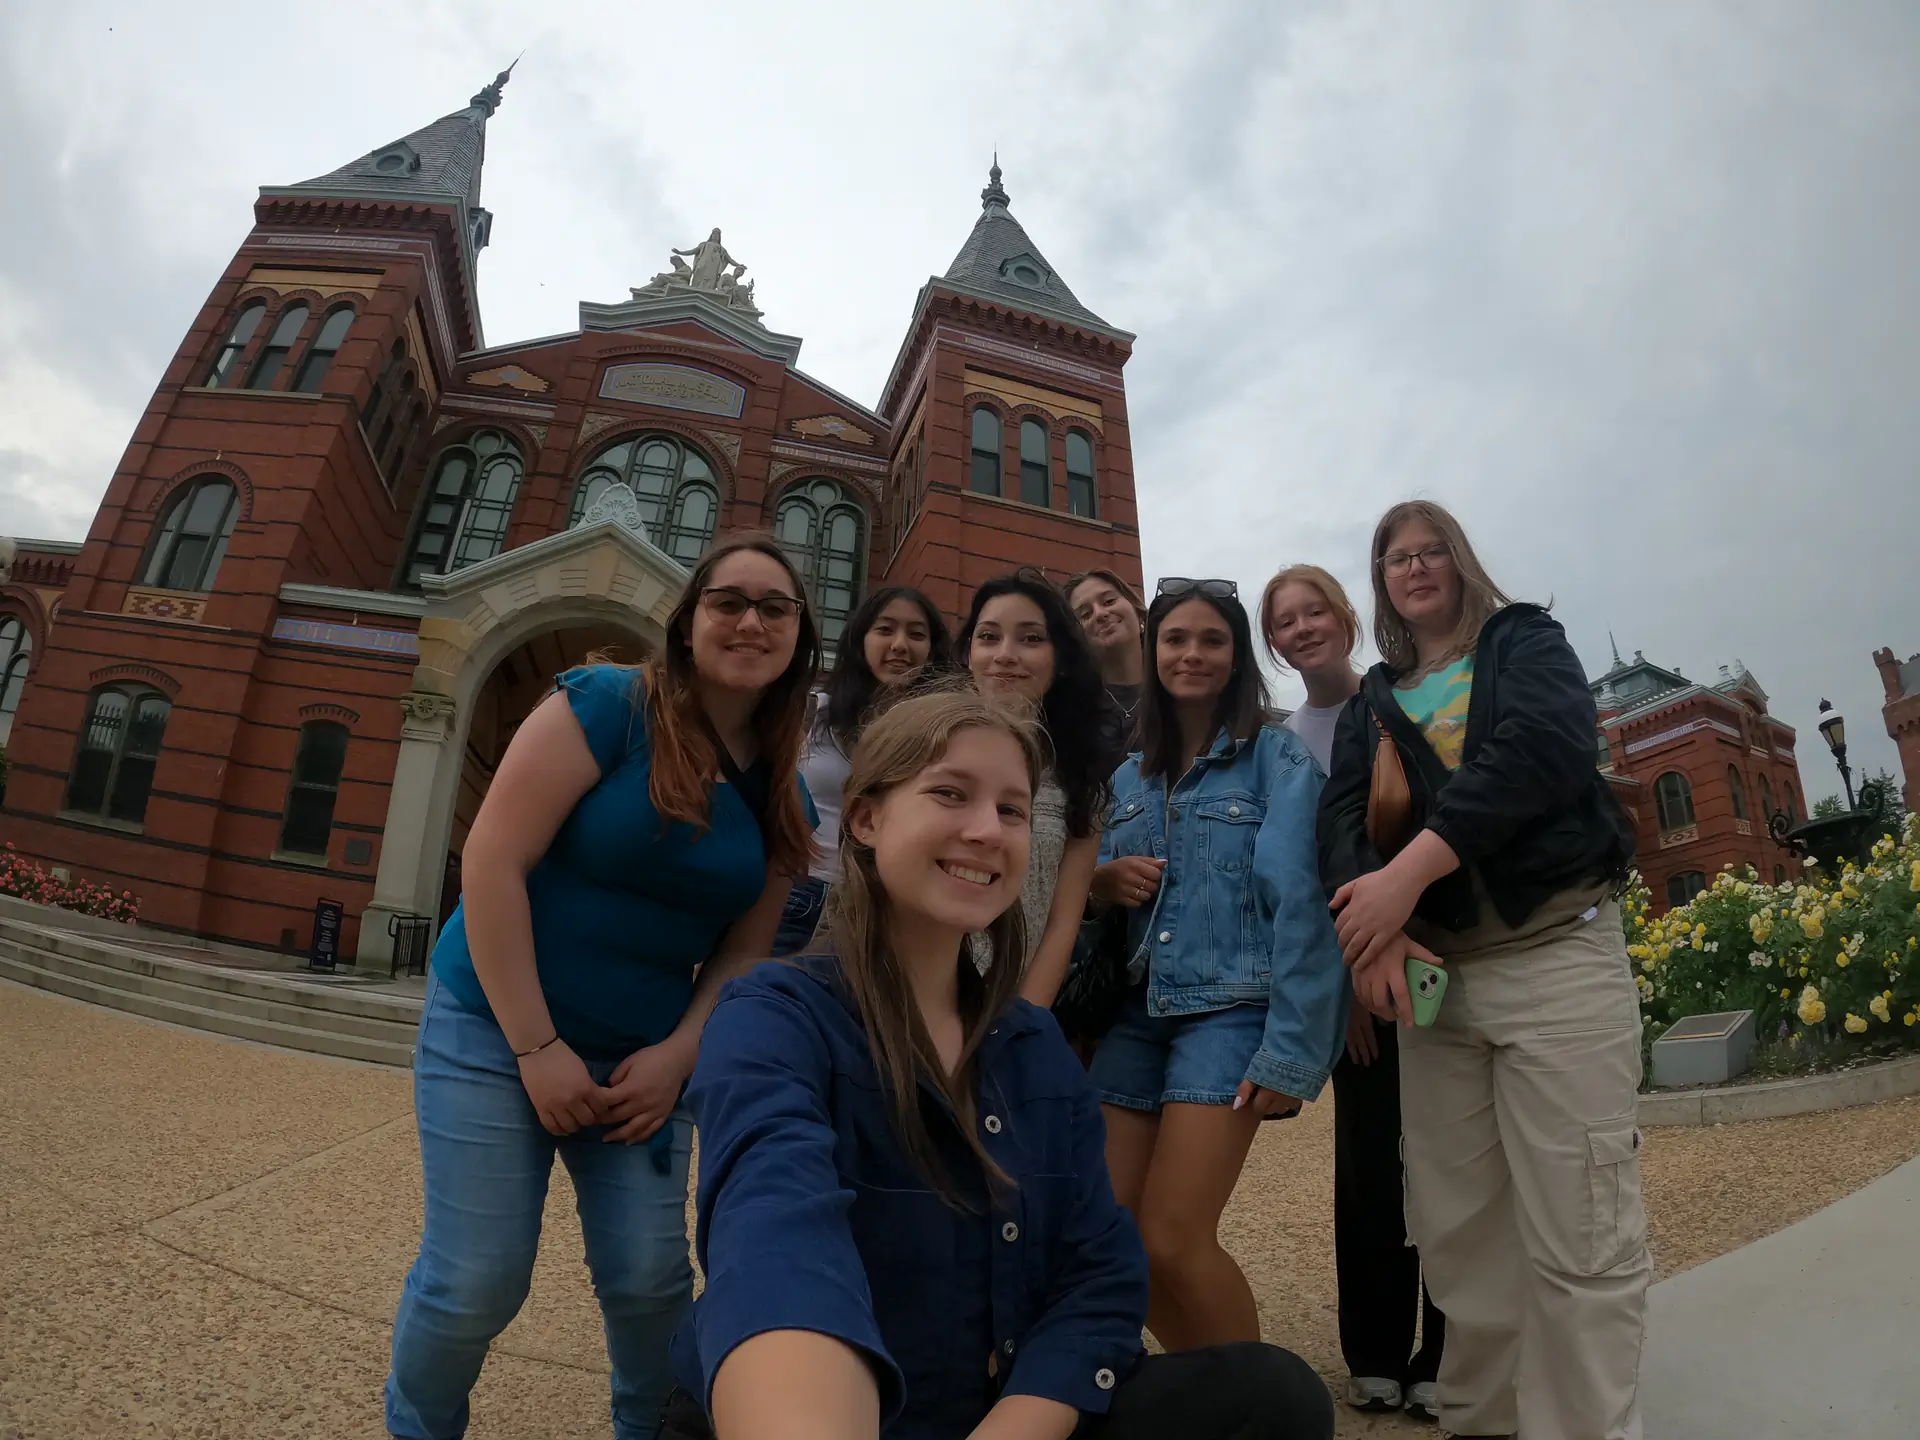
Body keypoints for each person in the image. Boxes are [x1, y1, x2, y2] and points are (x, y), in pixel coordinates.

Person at [659, 687, 1336, 1440]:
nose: (987, 830)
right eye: (950, 794)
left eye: (1012, 810)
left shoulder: (1031, 1045)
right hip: (827, 1409)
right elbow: (775, 1245)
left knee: (1271, 1396)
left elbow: (1098, 1276)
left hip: (1006, 1415)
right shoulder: (774, 1016)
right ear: (866, 818)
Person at [385, 533, 820, 1440]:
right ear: (689, 622)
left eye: (774, 607)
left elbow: (744, 956)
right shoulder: (609, 704)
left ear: (800, 636)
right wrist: (537, 1049)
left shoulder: (790, 798)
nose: (750, 621)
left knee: (648, 1280)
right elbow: (496, 860)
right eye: (727, 601)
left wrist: (676, 1059)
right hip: (493, 1029)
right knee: (475, 1280)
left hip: (640, 1065)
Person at [1318, 500, 1643, 1440]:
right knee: (1461, 1233)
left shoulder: (1522, 641)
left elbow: (1540, 751)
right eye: (1395, 559)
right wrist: (1374, 928)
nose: (1415, 569)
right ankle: (1485, 1420)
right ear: (1380, 582)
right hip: (1441, 986)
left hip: (1555, 953)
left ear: (1459, 562)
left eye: (1431, 553)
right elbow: (1340, 823)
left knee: (1584, 1228)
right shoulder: (1374, 698)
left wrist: (1406, 875)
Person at [1089, 577, 1348, 1352]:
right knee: (1109, 1237)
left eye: (1212, 640)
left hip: (1231, 1011)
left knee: (1173, 1234)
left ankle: (1260, 1411)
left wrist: (1293, 1048)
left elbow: (1302, 904)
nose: (1192, 654)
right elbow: (1089, 885)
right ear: (1151, 650)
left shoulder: (1278, 760)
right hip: (1133, 1018)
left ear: (1236, 658)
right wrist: (1103, 882)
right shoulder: (1126, 778)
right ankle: (1210, 1391)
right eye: (1175, 639)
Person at [1260, 564, 1445, 1421]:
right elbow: (1301, 879)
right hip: (1353, 978)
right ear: (1273, 641)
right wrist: (1345, 989)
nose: (1301, 629)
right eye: (1283, 620)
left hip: (1435, 954)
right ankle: (1373, 1350)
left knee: (1449, 1159)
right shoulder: (1284, 740)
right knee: (1369, 1165)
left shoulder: (1398, 701)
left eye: (1313, 612)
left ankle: (1449, 1350)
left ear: (1344, 617)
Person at [959, 569, 1113, 1007]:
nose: (1005, 655)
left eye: (1030, 639)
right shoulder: (924, 751)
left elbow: (1063, 924)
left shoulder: (1081, 782)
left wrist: (1021, 1026)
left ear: (1061, 659)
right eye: (988, 637)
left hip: (1010, 1003)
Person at [774, 586, 952, 956]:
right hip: (793, 895)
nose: (900, 645)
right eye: (885, 629)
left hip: (878, 911)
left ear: (933, 651)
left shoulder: (942, 740)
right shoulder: (813, 713)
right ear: (860, 641)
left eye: (917, 634)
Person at [1066, 568, 1149, 737]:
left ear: (1138, 614)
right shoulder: (1068, 709)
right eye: (1085, 614)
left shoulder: (1176, 688)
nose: (1100, 614)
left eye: (1109, 601)